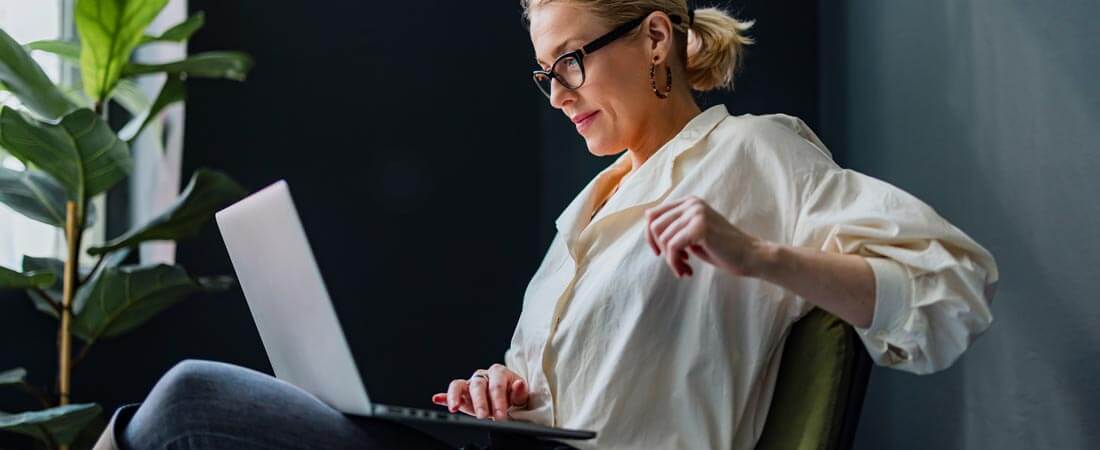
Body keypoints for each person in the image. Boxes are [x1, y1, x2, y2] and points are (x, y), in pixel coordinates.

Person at [95, 1, 999, 449]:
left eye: (569, 60)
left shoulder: (757, 156)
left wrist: (757, 254)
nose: (558, 93)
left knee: (187, 404)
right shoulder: (588, 210)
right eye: (545, 72)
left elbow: (947, 286)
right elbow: (566, 390)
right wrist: (506, 391)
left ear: (654, 38)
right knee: (172, 415)